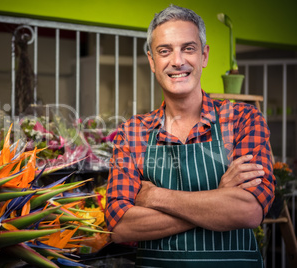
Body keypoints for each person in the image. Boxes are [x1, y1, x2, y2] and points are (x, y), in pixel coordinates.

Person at [105, 4, 275, 267]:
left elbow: (248, 210)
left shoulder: (244, 119)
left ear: (204, 56)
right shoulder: (133, 132)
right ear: (152, 61)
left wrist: (154, 197)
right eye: (165, 51)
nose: (177, 61)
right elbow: (120, 227)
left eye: (188, 48)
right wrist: (218, 198)